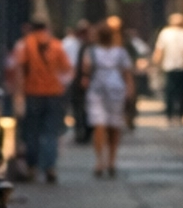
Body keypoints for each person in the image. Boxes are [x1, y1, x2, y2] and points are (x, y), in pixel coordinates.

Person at [9, 15, 73, 183]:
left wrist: (18, 94)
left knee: (31, 132)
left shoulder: (24, 45)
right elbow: (68, 70)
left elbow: (19, 71)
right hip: (54, 93)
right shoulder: (57, 45)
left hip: (32, 93)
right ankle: (50, 167)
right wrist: (60, 84)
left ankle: (32, 167)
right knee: (51, 132)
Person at [83, 18, 135, 178]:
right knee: (114, 126)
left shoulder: (91, 51)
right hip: (116, 89)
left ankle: (100, 160)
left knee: (99, 125)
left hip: (98, 88)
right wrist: (130, 90)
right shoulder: (120, 52)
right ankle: (112, 160)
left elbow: (86, 70)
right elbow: (127, 74)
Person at [152, 12, 183, 125]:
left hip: (171, 66)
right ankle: (178, 115)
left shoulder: (166, 33)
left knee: (171, 91)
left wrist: (156, 63)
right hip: (180, 66)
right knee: (180, 92)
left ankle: (171, 115)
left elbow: (159, 50)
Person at [68, 18, 95, 144]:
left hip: (90, 83)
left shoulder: (91, 46)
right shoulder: (73, 44)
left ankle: (87, 132)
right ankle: (80, 131)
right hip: (77, 82)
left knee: (87, 108)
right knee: (79, 108)